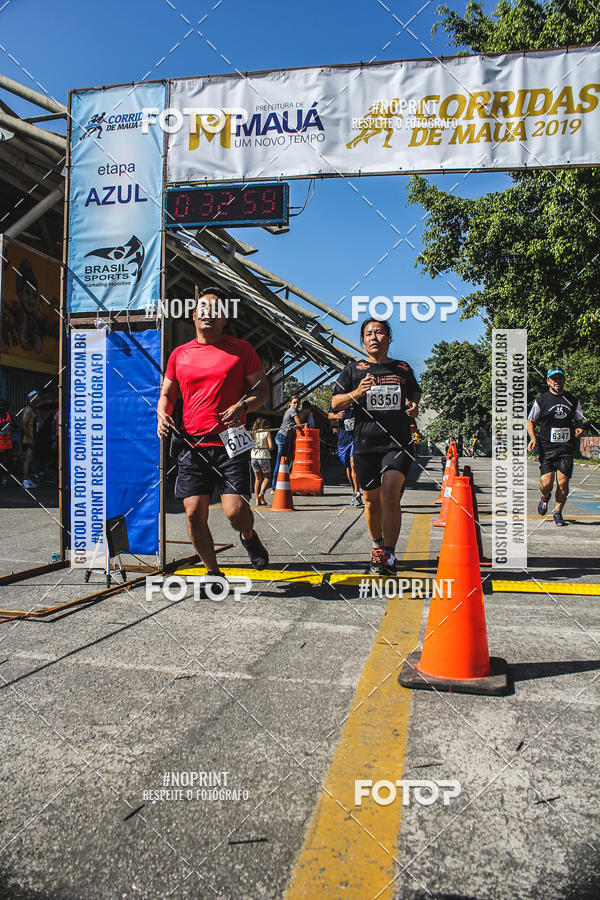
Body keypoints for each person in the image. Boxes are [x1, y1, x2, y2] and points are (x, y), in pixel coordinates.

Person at [157, 286, 270, 576]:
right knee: (194, 514)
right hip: (192, 445)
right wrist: (162, 415)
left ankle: (248, 536)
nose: (209, 313)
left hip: (230, 442)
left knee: (235, 512)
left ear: (224, 318)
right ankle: (212, 572)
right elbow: (167, 395)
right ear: (193, 315)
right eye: (203, 308)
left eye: (216, 309)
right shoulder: (179, 354)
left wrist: (243, 406)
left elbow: (263, 393)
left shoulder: (241, 349)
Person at [331, 318, 421, 575]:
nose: (374, 337)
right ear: (362, 340)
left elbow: (415, 392)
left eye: (379, 332)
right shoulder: (353, 369)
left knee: (390, 494)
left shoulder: (402, 368)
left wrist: (414, 405)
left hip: (397, 442)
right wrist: (357, 393)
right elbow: (336, 403)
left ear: (389, 338)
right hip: (365, 443)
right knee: (371, 501)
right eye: (368, 333)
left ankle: (390, 555)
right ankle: (377, 545)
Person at [527, 366, 584, 526]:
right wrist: (533, 438)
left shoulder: (572, 400)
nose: (557, 381)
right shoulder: (541, 401)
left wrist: (580, 428)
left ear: (564, 380)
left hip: (565, 449)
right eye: (554, 378)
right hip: (546, 448)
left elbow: (578, 420)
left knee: (563, 483)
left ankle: (558, 513)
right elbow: (530, 420)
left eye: (560, 378)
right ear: (548, 381)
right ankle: (545, 498)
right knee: (546, 484)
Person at [328, 405, 362, 507]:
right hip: (343, 439)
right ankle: (354, 491)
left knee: (353, 465)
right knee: (348, 466)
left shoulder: (357, 400)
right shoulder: (340, 401)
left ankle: (357, 493)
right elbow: (329, 415)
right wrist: (336, 415)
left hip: (355, 438)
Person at [271, 396, 301, 489]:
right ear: (290, 403)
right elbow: (299, 424)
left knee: (286, 462)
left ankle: (282, 483)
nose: (296, 405)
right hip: (282, 437)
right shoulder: (292, 410)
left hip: (286, 438)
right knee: (280, 463)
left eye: (297, 403)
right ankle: (274, 486)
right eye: (294, 402)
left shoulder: (293, 411)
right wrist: (299, 426)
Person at [250, 416, 274, 505]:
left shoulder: (253, 433)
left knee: (257, 479)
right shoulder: (267, 433)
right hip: (264, 456)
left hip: (254, 457)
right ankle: (261, 494)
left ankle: (257, 500)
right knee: (267, 477)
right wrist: (271, 447)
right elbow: (271, 446)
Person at [21, 390, 39, 489]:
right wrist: (29, 438)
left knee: (31, 459)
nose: (38, 399)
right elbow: (23, 424)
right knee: (27, 459)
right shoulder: (28, 409)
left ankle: (28, 479)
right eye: (35, 397)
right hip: (29, 438)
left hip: (33, 437)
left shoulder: (34, 409)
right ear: (31, 398)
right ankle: (24, 480)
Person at [0, 399, 12, 487]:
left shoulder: (9, 415)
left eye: (4, 405)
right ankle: (2, 479)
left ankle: (4, 476)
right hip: (0, 440)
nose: (2, 407)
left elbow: (16, 425)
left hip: (8, 441)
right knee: (1, 461)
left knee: (8, 460)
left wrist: (11, 423)